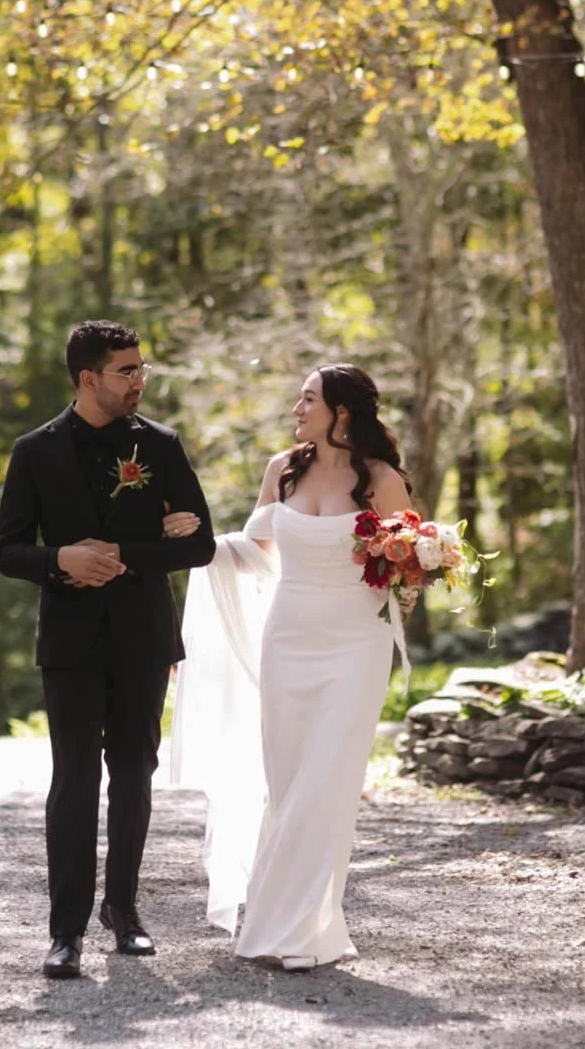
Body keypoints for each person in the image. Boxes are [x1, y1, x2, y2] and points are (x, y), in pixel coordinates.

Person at [168, 363, 415, 970]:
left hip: (356, 644)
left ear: (342, 412)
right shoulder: (283, 470)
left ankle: (298, 932)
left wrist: (413, 577)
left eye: (308, 399)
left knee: (326, 784)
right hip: (288, 640)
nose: (297, 409)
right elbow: (256, 554)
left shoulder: (382, 480)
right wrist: (196, 543)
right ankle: (290, 924)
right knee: (288, 783)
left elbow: (407, 570)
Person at [0, 320, 215, 981]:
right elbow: (7, 551)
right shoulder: (34, 451)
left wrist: (126, 554)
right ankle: (64, 932)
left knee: (133, 772)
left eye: (141, 368)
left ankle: (123, 911)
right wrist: (60, 559)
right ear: (89, 377)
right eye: (127, 370)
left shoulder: (162, 445)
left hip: (143, 635)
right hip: (69, 638)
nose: (139, 380)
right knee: (73, 778)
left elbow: (201, 544)